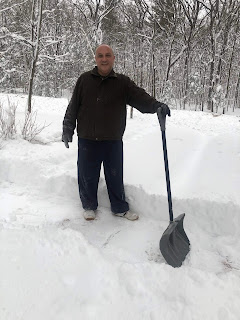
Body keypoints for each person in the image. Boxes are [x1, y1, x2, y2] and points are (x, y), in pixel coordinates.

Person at [62, 44, 170, 221]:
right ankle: (89, 206)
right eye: (100, 55)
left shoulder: (122, 83)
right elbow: (73, 106)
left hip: (112, 139)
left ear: (113, 58)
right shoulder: (84, 80)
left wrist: (157, 106)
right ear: (96, 59)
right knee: (87, 175)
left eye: (107, 55)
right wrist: (67, 129)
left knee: (115, 176)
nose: (104, 59)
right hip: (87, 139)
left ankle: (119, 208)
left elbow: (140, 98)